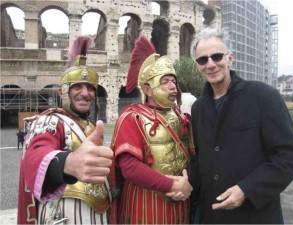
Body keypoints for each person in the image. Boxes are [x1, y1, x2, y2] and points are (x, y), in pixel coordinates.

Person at [189, 27, 293, 224]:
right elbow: (200, 160)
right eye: (203, 60)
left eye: (217, 56)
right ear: (197, 65)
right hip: (212, 216)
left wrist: (247, 189)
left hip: (255, 216)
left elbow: (291, 156)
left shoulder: (263, 96)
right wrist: (184, 182)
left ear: (230, 58)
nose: (211, 64)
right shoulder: (198, 108)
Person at [17, 36, 113, 225]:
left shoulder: (93, 126)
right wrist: (67, 163)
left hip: (99, 214)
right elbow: (36, 155)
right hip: (64, 214)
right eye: (77, 86)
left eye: (90, 88)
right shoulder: (51, 120)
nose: (85, 93)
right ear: (62, 92)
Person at [110, 35, 195, 224]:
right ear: (148, 89)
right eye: (165, 81)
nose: (173, 86)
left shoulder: (181, 115)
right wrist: (172, 184)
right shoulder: (132, 117)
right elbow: (130, 168)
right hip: (144, 205)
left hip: (180, 204)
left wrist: (188, 182)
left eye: (173, 81)